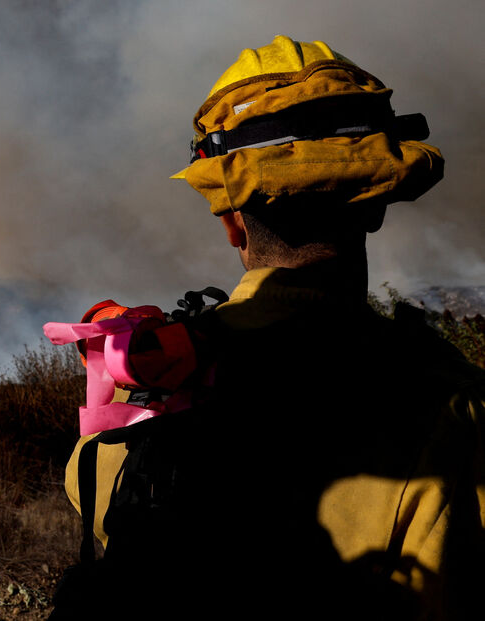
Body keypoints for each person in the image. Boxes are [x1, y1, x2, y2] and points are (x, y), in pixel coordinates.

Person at [51, 36, 485, 620]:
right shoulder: (453, 423)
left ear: (231, 222)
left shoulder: (152, 377)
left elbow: (95, 493)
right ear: (376, 203)